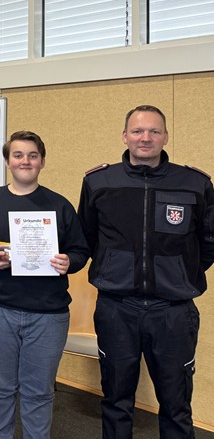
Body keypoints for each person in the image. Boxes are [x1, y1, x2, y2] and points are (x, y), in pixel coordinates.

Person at [78, 105, 214, 438]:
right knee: (116, 400)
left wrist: (180, 273)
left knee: (176, 404)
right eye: (137, 131)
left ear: (165, 137)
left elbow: (208, 242)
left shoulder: (194, 183)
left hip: (173, 312)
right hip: (116, 309)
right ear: (124, 136)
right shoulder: (99, 181)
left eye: (154, 131)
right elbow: (87, 237)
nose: (145, 138)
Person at [0, 130, 90, 438]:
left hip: (47, 314)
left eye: (33, 156)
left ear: (42, 161)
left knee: (39, 391)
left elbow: (80, 251)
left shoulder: (59, 205)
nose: (25, 161)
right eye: (18, 155)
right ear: (8, 161)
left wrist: (69, 261)